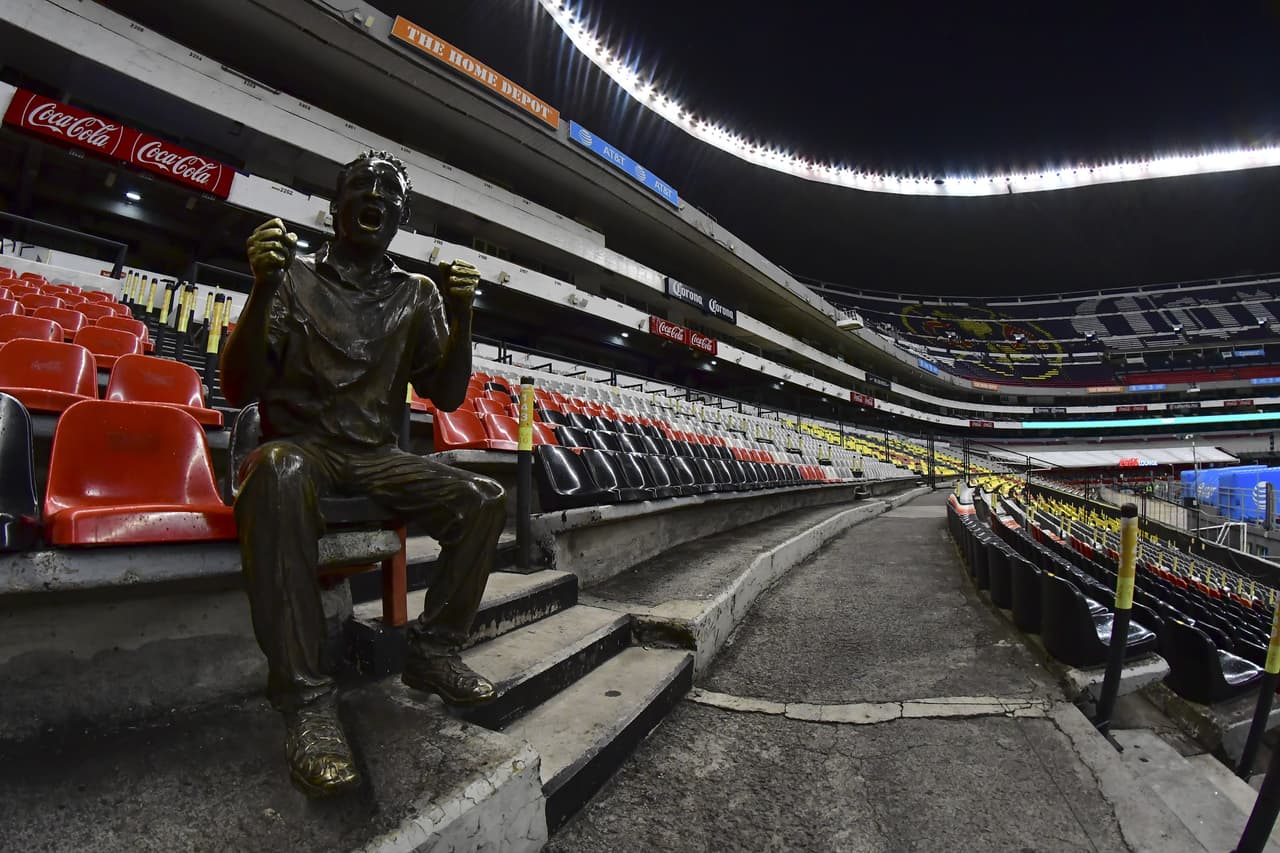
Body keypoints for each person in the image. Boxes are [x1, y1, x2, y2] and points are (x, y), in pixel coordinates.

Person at [220, 150, 505, 798]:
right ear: (337, 202)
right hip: (307, 447)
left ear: (402, 215)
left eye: (389, 191)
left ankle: (432, 650)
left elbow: (450, 392)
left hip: (376, 456)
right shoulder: (291, 276)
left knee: (484, 498)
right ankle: (308, 706)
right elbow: (239, 384)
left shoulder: (417, 293)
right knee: (279, 471)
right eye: (361, 186)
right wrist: (262, 286)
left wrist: (462, 318)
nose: (375, 195)